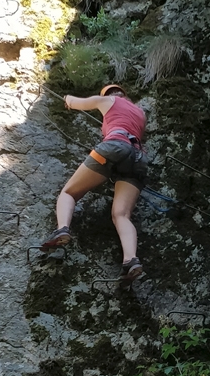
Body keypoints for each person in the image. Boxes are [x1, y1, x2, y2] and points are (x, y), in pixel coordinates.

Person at [42, 84, 148, 281]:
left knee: (69, 193)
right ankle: (131, 260)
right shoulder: (140, 113)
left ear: (108, 95)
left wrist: (67, 98)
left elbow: (76, 103)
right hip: (138, 158)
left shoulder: (107, 100)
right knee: (122, 214)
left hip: (114, 147)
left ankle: (62, 229)